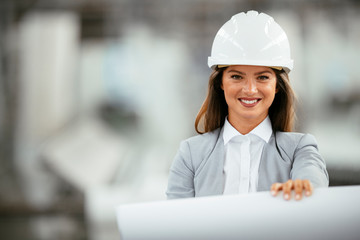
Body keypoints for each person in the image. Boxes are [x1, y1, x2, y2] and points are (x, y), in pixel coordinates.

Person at [166, 10, 329, 201]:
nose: (250, 90)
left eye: (262, 77)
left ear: (277, 86)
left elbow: (313, 181)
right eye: (236, 76)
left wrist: (306, 188)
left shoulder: (300, 149)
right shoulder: (191, 154)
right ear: (221, 83)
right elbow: (175, 222)